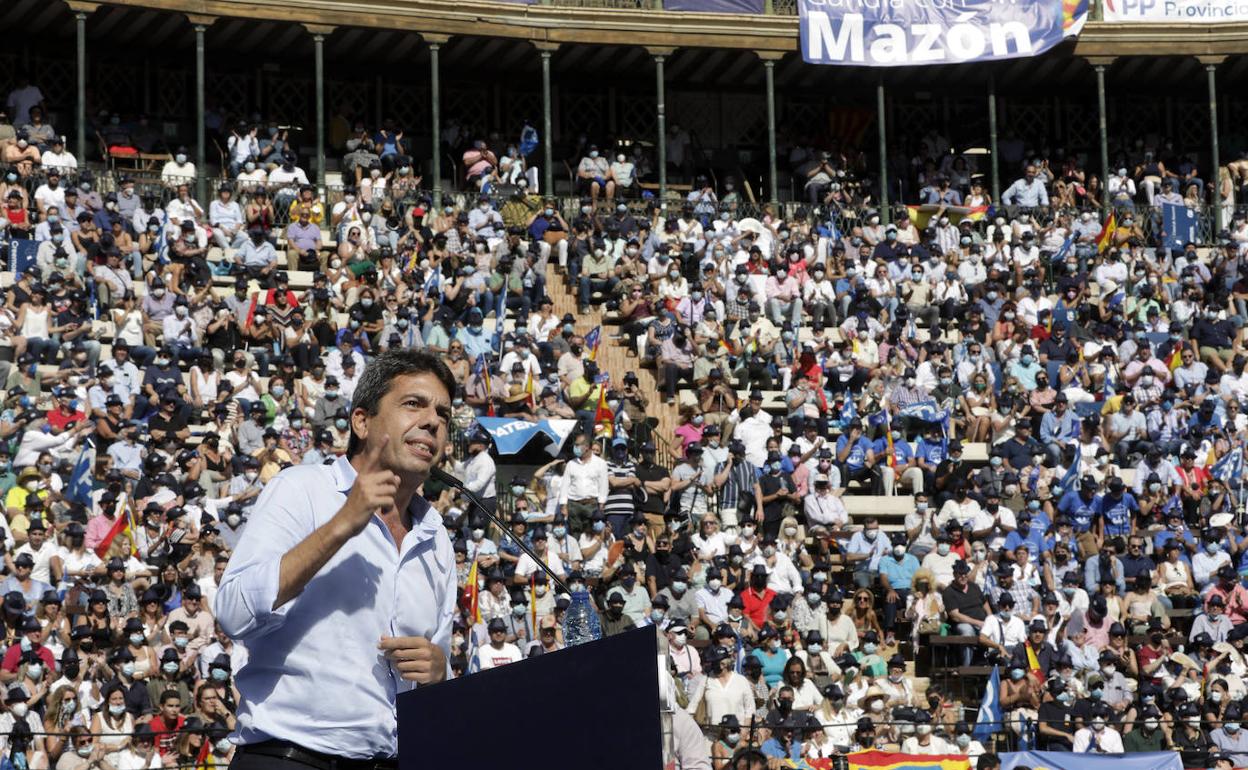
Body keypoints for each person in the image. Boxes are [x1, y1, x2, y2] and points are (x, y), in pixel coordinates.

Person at [215, 349, 457, 765]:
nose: (433, 421)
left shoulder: (436, 539)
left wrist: (440, 674)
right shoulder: (302, 489)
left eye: (443, 414)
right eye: (414, 404)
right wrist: (343, 523)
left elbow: (436, 673)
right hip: (288, 758)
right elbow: (233, 612)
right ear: (362, 421)